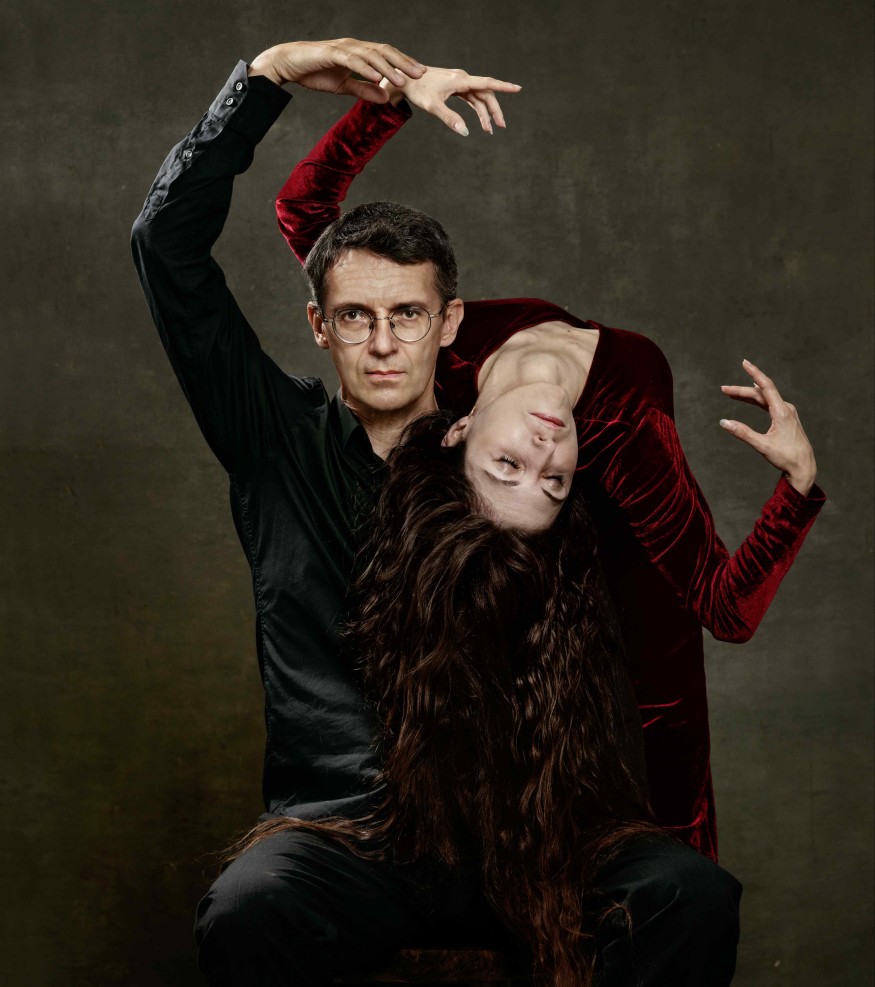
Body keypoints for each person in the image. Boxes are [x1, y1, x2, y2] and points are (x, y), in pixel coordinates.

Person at [130, 37, 766, 987]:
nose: (383, 344)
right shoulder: (275, 442)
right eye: (356, 317)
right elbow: (164, 246)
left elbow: (664, 609)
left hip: (529, 834)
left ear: (449, 322)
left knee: (691, 895)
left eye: (407, 315)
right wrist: (269, 74)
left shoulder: (517, 456)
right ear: (320, 326)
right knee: (246, 909)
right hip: (348, 834)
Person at [275, 70, 825, 864]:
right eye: (553, 479)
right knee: (655, 822)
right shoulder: (625, 433)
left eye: (506, 463)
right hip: (623, 633)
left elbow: (305, 216)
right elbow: (725, 606)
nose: (542, 450)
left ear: (461, 429)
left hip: (584, 621)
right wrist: (796, 485)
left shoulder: (436, 354)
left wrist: (396, 99)